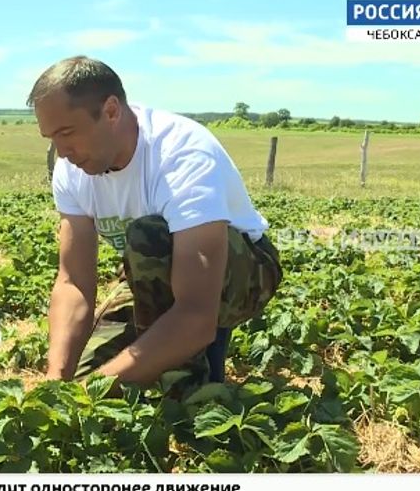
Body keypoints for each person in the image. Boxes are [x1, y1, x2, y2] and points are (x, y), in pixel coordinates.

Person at [27, 55, 283, 398]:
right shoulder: (71, 169)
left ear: (112, 111)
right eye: (51, 137)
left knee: (149, 237)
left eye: (67, 133)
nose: (62, 152)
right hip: (148, 273)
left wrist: (94, 393)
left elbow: (195, 312)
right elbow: (73, 281)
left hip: (241, 272)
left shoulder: (182, 154)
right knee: (90, 379)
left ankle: (196, 371)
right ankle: (168, 353)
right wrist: (58, 380)